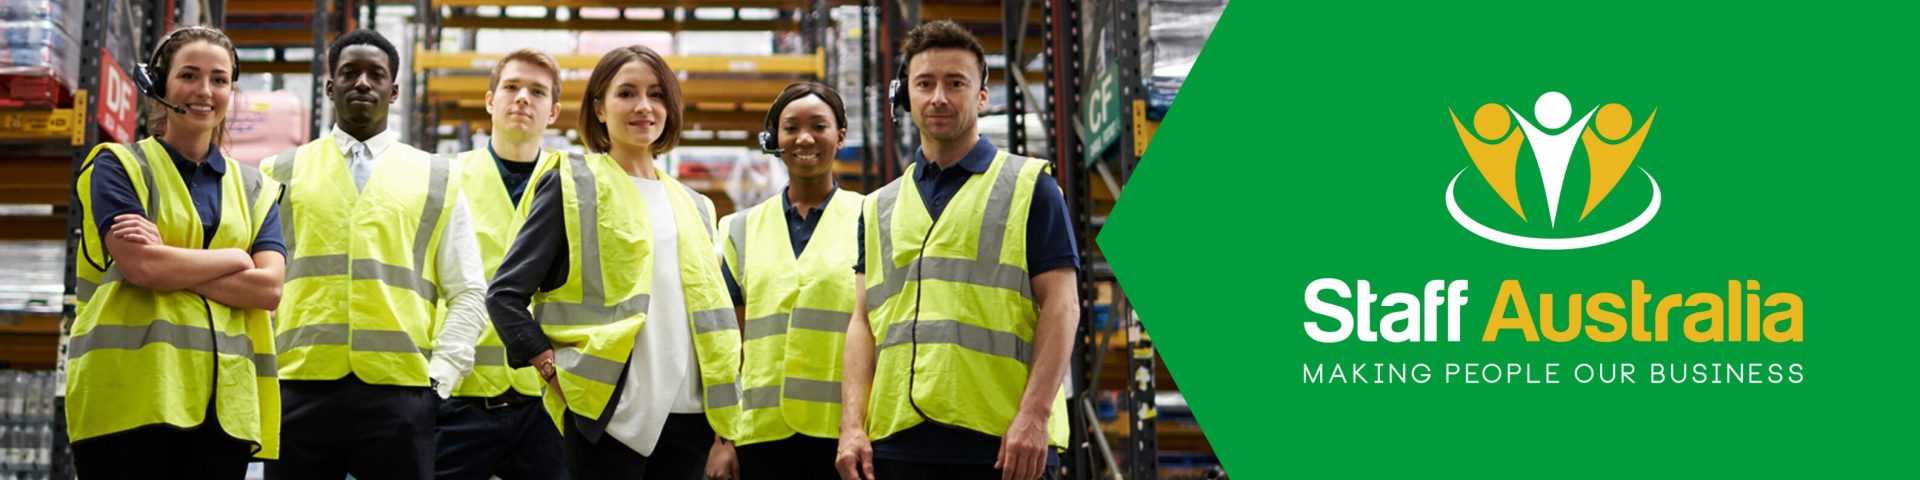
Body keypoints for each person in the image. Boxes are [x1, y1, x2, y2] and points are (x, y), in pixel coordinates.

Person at [836, 20, 1081, 480]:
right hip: (897, 443)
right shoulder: (878, 206)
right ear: (907, 96)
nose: (939, 98)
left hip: (1002, 443)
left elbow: (1063, 305)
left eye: (956, 83)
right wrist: (852, 425)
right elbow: (862, 323)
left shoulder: (1030, 186)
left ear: (982, 96)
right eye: (924, 84)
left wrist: (1035, 415)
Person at [487, 44, 742, 480]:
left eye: (657, 94)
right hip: (606, 414)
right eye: (626, 93)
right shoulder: (572, 183)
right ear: (599, 109)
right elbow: (504, 295)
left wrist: (724, 433)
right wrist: (554, 373)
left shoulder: (695, 204)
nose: (644, 106)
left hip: (691, 418)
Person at [260, 28, 489, 480]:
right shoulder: (279, 171)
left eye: (375, 74)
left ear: (394, 89)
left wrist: (440, 378)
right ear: (329, 86)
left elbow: (468, 290)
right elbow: (257, 281)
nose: (362, 82)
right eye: (349, 72)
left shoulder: (437, 176)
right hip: (299, 390)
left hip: (400, 395)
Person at [67, 25, 284, 480]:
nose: (204, 91)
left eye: (219, 79)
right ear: (159, 85)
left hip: (222, 410)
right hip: (129, 399)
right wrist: (235, 259)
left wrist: (169, 259)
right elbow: (141, 265)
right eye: (189, 75)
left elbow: (268, 288)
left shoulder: (257, 189)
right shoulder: (118, 165)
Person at [707, 82, 861, 480]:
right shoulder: (738, 229)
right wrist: (722, 438)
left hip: (844, 434)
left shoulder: (871, 218)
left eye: (819, 126)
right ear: (773, 139)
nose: (804, 138)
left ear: (840, 137)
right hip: (760, 435)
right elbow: (723, 341)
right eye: (790, 127)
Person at [434, 48, 570, 480]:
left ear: (554, 112)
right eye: (511, 87)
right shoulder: (445, 178)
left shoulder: (576, 184)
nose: (523, 98)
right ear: (490, 100)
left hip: (548, 397)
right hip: (460, 394)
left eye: (537, 91)